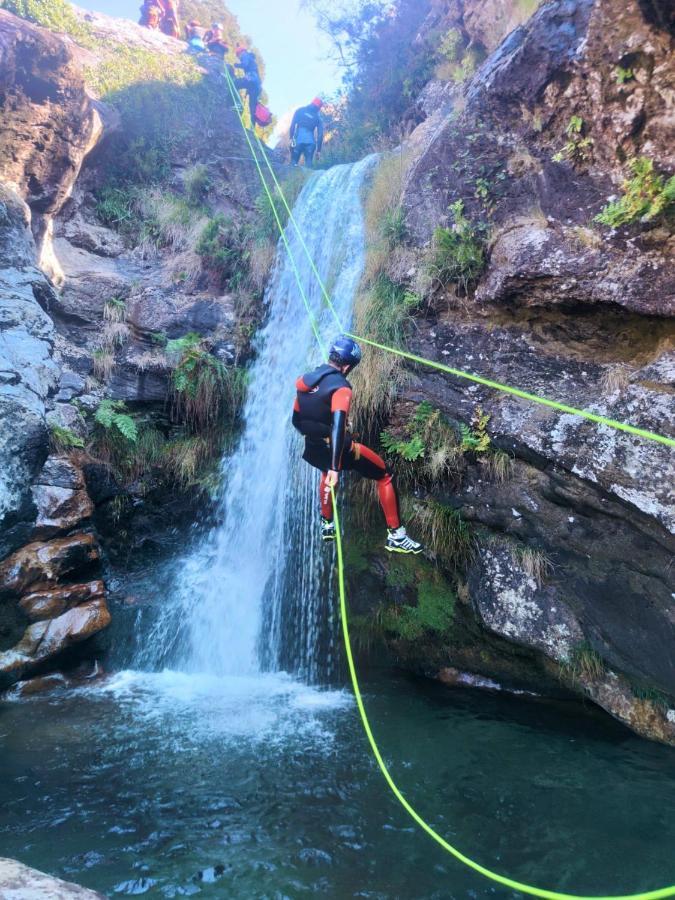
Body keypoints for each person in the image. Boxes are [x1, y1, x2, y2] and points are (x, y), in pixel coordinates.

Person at [292, 336, 424, 554]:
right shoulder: (341, 388)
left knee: (326, 471)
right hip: (338, 449)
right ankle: (396, 535)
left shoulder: (304, 382)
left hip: (313, 446)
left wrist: (318, 438)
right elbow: (337, 426)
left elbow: (296, 421)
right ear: (346, 366)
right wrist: (336, 466)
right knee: (384, 474)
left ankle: (327, 523)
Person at [290, 98, 324, 167]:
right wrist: (318, 151)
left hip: (298, 140)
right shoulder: (318, 117)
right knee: (309, 164)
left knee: (293, 163)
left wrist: (291, 138)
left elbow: (292, 125)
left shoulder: (300, 110)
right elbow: (320, 135)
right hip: (311, 143)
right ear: (318, 108)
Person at [234, 45, 262, 122]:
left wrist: (236, 65)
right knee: (252, 107)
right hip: (256, 85)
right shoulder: (251, 59)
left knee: (235, 83)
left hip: (250, 78)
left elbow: (244, 64)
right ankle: (252, 127)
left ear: (240, 52)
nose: (239, 58)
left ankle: (237, 105)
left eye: (238, 55)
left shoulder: (244, 55)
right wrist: (247, 91)